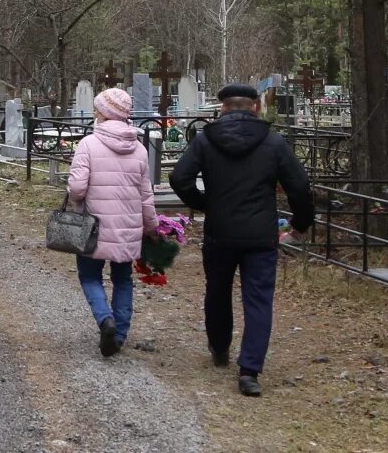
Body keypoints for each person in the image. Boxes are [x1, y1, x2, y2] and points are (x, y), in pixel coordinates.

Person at [169, 83, 314, 397]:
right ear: (255, 107)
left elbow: (179, 177)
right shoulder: (274, 143)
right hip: (261, 234)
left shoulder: (206, 140)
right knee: (258, 300)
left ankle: (219, 348)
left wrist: (204, 203)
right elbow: (300, 188)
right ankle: (249, 370)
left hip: (220, 231)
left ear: (222, 108)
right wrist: (300, 223)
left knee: (217, 291)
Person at [67, 88, 158, 357]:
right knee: (123, 278)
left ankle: (104, 319)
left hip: (92, 226)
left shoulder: (88, 144)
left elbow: (77, 189)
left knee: (89, 275)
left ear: (104, 113)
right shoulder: (139, 150)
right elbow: (146, 195)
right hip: (128, 228)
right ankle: (118, 335)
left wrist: (73, 197)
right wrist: (151, 227)